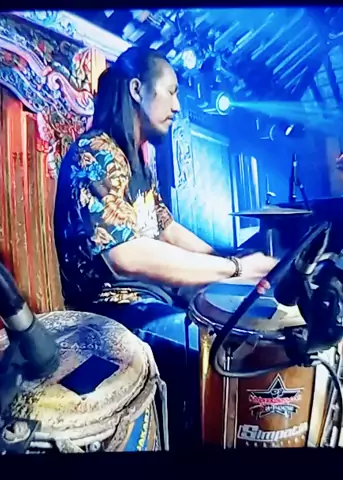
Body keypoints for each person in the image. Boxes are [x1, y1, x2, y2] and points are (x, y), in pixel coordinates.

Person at [52, 46, 278, 446]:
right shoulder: (96, 153)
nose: (177, 105)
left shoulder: (137, 160)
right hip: (109, 315)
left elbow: (166, 227)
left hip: (146, 302)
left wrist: (228, 259)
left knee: (242, 333)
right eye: (171, 92)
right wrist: (234, 269)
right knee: (219, 353)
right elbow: (125, 255)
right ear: (137, 89)